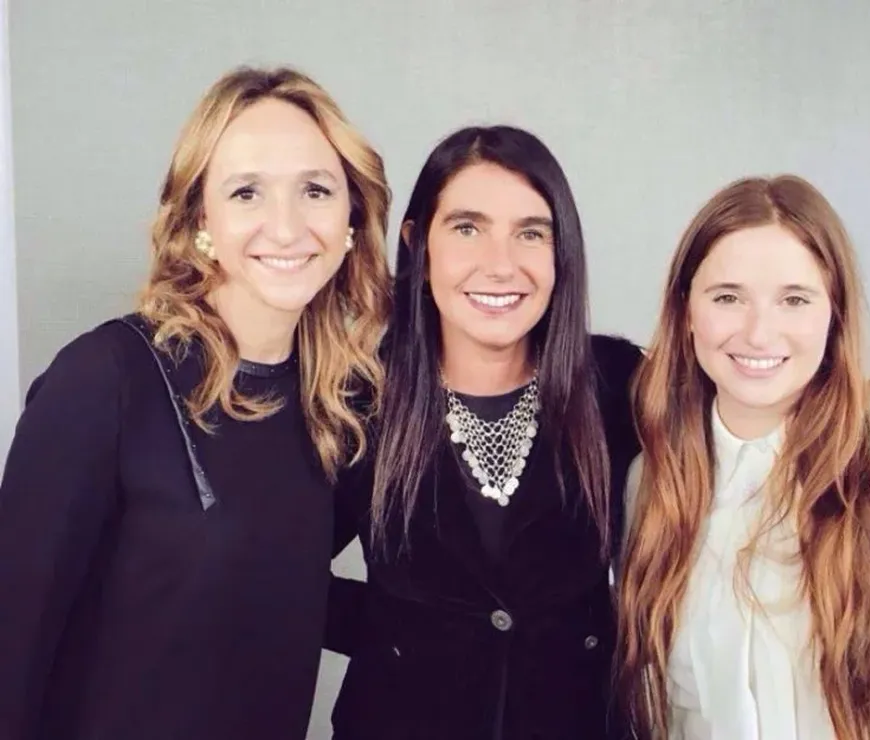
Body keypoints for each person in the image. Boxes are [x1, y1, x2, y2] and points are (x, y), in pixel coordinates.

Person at [0, 66, 392, 739]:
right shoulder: (107, 380)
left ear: (352, 217)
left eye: (316, 190)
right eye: (247, 192)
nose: (287, 225)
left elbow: (281, 592)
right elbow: (12, 643)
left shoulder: (339, 407)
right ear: (199, 218)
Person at [616, 174, 870, 739]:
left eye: (794, 300)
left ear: (834, 313)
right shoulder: (653, 482)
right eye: (727, 297)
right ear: (686, 310)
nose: (759, 332)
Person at [325, 125, 642, 739]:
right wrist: (399, 633)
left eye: (530, 233)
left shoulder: (620, 386)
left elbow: (741, 429)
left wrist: (848, 399)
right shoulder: (354, 401)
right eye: (467, 228)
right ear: (419, 247)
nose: (501, 265)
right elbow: (275, 567)